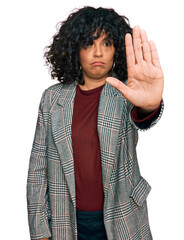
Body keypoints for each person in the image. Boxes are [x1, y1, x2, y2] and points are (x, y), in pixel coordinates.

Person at [27, 6, 164, 240]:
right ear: (74, 50)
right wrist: (40, 230)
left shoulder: (127, 93)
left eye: (107, 43)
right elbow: (37, 170)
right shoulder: (52, 99)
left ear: (117, 50)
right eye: (89, 43)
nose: (98, 53)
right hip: (66, 220)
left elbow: (142, 116)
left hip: (123, 217)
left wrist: (150, 106)